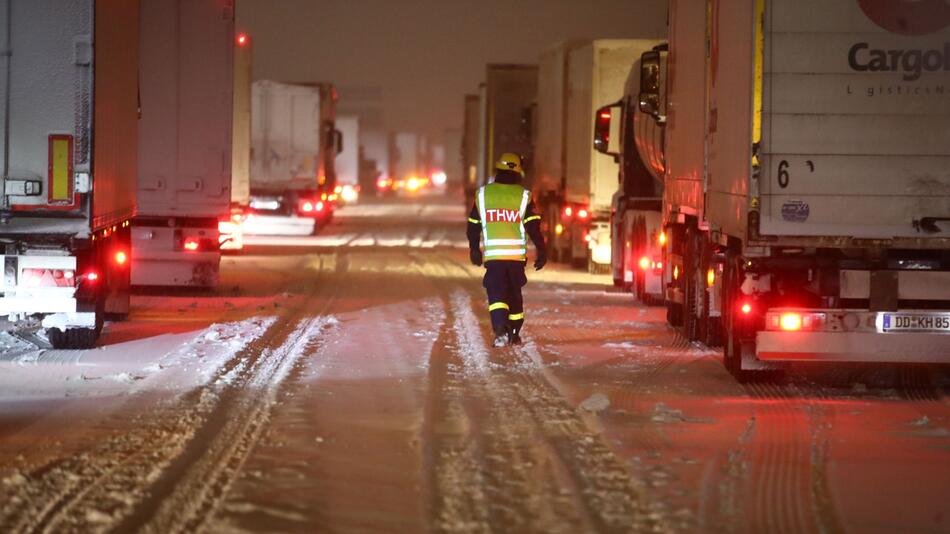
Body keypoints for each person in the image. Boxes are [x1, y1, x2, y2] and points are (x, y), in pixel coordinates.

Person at [467, 152, 546, 347]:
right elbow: (533, 228)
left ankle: (500, 329)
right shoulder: (524, 196)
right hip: (515, 259)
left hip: (494, 258)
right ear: (518, 172)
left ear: (498, 170)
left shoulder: (484, 195)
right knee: (513, 293)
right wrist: (542, 251)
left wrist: (474, 248)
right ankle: (514, 332)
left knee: (497, 294)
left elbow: (473, 225)